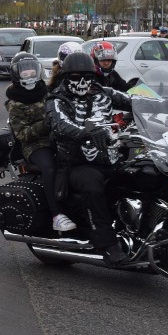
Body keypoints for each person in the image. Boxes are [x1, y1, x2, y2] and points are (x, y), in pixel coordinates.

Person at [45, 51, 133, 265]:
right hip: (76, 164)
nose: (83, 81)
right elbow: (60, 124)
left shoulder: (103, 91)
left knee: (145, 174)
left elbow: (134, 101)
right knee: (92, 185)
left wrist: (164, 104)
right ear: (66, 76)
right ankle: (107, 244)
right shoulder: (57, 99)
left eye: (87, 76)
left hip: (111, 158)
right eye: (76, 76)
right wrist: (87, 133)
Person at [5, 52, 76, 232]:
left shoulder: (46, 92)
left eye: (31, 72)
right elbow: (22, 134)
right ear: (17, 74)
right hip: (34, 146)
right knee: (49, 166)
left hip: (57, 138)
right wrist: (47, 123)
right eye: (25, 73)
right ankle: (56, 215)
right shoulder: (15, 103)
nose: (29, 75)